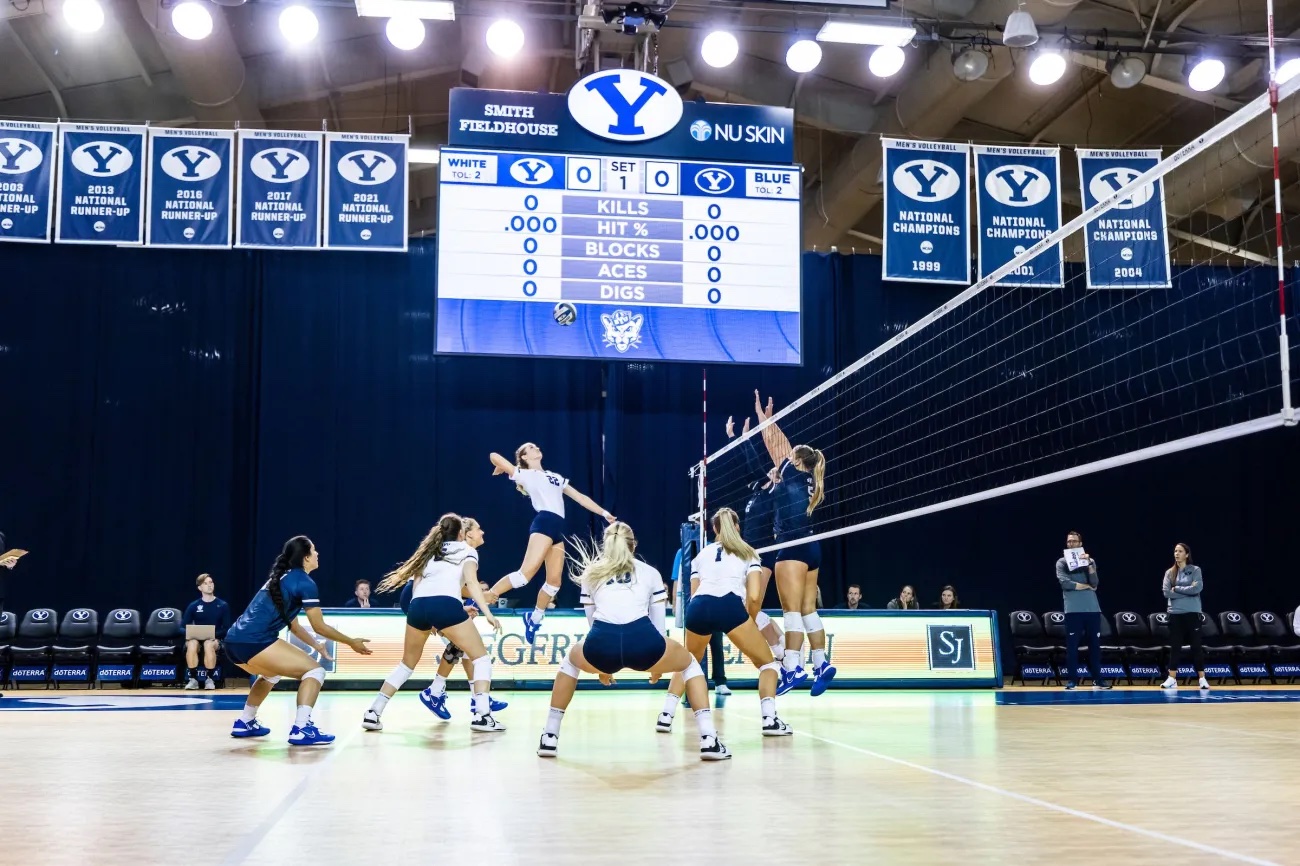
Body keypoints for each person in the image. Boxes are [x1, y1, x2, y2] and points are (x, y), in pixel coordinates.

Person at [536, 521, 730, 761]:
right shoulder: (649, 572)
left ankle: (549, 736)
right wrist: (658, 665)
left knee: (569, 663)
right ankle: (709, 740)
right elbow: (659, 627)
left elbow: (592, 624)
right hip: (644, 643)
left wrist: (602, 667)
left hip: (601, 644)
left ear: (606, 544)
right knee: (690, 664)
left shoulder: (592, 573)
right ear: (633, 545)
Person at [223, 536, 372, 746]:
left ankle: (245, 721)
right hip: (256, 642)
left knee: (271, 674)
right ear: (306, 557)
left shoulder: (280, 579)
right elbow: (319, 626)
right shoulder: (304, 582)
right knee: (315, 672)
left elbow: (295, 626)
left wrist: (317, 645)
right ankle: (302, 728)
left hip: (232, 643)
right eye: (314, 550)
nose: (318, 554)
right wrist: (351, 642)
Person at [362, 514, 505, 733]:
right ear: (461, 533)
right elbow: (472, 582)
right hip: (444, 605)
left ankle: (373, 712)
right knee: (481, 658)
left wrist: (429, 615)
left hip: (418, 606)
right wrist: (487, 613)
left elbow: (418, 585)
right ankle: (482, 716)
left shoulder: (429, 552)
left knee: (406, 665)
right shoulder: (467, 550)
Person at [656, 508, 791, 738]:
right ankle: (770, 720)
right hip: (730, 606)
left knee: (688, 662)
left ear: (714, 529)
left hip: (699, 608)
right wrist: (748, 621)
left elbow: (694, 594)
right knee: (768, 665)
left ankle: (665, 716)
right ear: (737, 527)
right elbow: (754, 596)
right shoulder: (748, 552)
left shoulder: (701, 555)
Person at [484, 443, 616, 645]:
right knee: (524, 575)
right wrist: (505, 467)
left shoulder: (554, 476)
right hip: (545, 522)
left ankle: (534, 618)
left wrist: (604, 513)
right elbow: (493, 454)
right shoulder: (525, 474)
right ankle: (486, 597)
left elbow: (580, 498)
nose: (536, 447)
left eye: (535, 446)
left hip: (557, 527)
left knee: (554, 582)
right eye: (531, 447)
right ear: (525, 457)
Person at [754, 391, 832, 696]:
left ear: (796, 460)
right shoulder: (812, 478)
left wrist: (764, 418)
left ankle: (793, 666)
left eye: (790, 457)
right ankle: (821, 663)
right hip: (813, 548)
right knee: (808, 609)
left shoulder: (793, 471)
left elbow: (774, 443)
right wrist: (768, 420)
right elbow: (780, 446)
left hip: (792, 547)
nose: (785, 458)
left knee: (791, 611)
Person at [419, 518, 508, 719]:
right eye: (479, 529)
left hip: (426, 602)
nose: (483, 532)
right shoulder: (464, 551)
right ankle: (437, 691)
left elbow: (455, 585)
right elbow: (465, 585)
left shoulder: (449, 550)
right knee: (465, 649)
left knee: (467, 651)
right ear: (467, 534)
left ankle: (477, 697)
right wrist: (486, 605)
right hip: (431, 603)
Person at [728, 414, 787, 662]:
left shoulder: (775, 492)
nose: (771, 470)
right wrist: (734, 438)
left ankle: (780, 652)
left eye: (774, 470)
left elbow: (755, 463)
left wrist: (748, 436)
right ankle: (782, 645)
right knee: (750, 610)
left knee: (751, 609)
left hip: (764, 555)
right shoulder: (756, 491)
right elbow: (746, 464)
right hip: (748, 556)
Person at [1056, 531, 1110, 690]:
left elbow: (1095, 582)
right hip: (1073, 610)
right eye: (1069, 541)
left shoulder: (1089, 561)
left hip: (1092, 609)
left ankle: (1098, 679)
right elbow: (1065, 584)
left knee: (1095, 646)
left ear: (1080, 544)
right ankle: (1072, 680)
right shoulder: (1061, 562)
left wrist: (1090, 565)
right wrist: (1086, 586)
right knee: (1072, 647)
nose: (1071, 544)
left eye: (1074, 541)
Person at [1161, 542, 1210, 691]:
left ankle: (1202, 679)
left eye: (1180, 551)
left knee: (1196, 646)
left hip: (1192, 613)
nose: (1177, 553)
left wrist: (1177, 588)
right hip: (1175, 614)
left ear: (1187, 554)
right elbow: (1166, 592)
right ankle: (1172, 678)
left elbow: (1197, 588)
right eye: (1175, 551)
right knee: (1175, 646)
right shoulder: (1169, 573)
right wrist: (1187, 591)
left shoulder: (1195, 570)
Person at [183, 573, 231, 690]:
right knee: (192, 643)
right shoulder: (194, 605)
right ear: (200, 588)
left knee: (208, 644)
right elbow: (181, 627)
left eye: (211, 582)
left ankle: (210, 679)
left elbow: (226, 628)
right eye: (205, 583)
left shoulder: (222, 605)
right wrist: (190, 634)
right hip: (196, 639)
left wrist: (213, 635)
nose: (209, 585)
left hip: (214, 639)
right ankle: (193, 679)